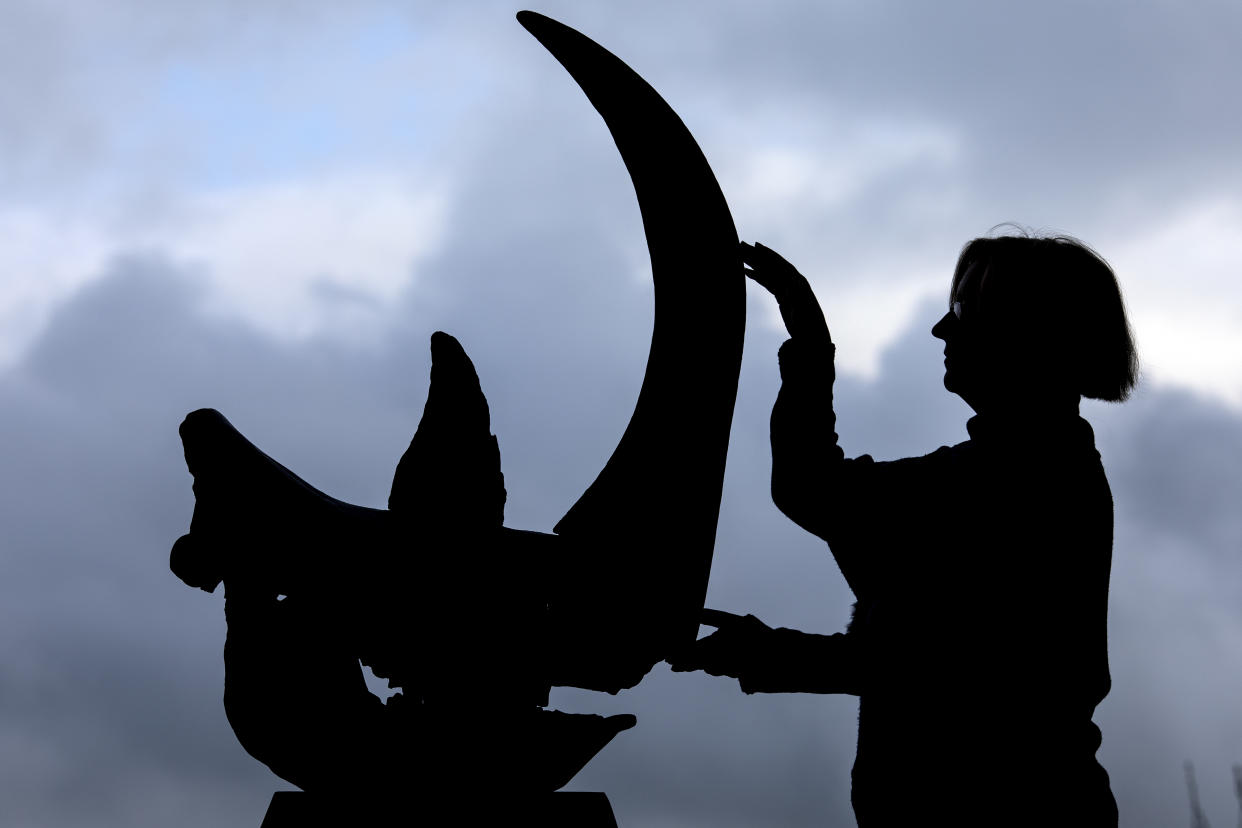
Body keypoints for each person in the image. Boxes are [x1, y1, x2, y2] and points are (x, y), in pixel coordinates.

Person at [670, 233, 1136, 826]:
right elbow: (926, 662)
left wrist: (811, 345)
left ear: (1028, 333)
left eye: (963, 310)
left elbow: (814, 492)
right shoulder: (1037, 472)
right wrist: (765, 653)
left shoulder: (1012, 481)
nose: (942, 330)